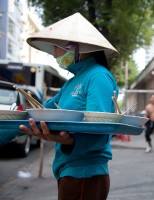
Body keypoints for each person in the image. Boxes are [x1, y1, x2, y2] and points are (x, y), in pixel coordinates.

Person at [19, 13, 119, 200]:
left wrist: (70, 141)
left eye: (56, 48)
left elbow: (101, 128)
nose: (55, 54)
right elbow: (42, 111)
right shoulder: (72, 82)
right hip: (69, 171)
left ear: (77, 48)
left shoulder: (98, 76)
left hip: (85, 173)